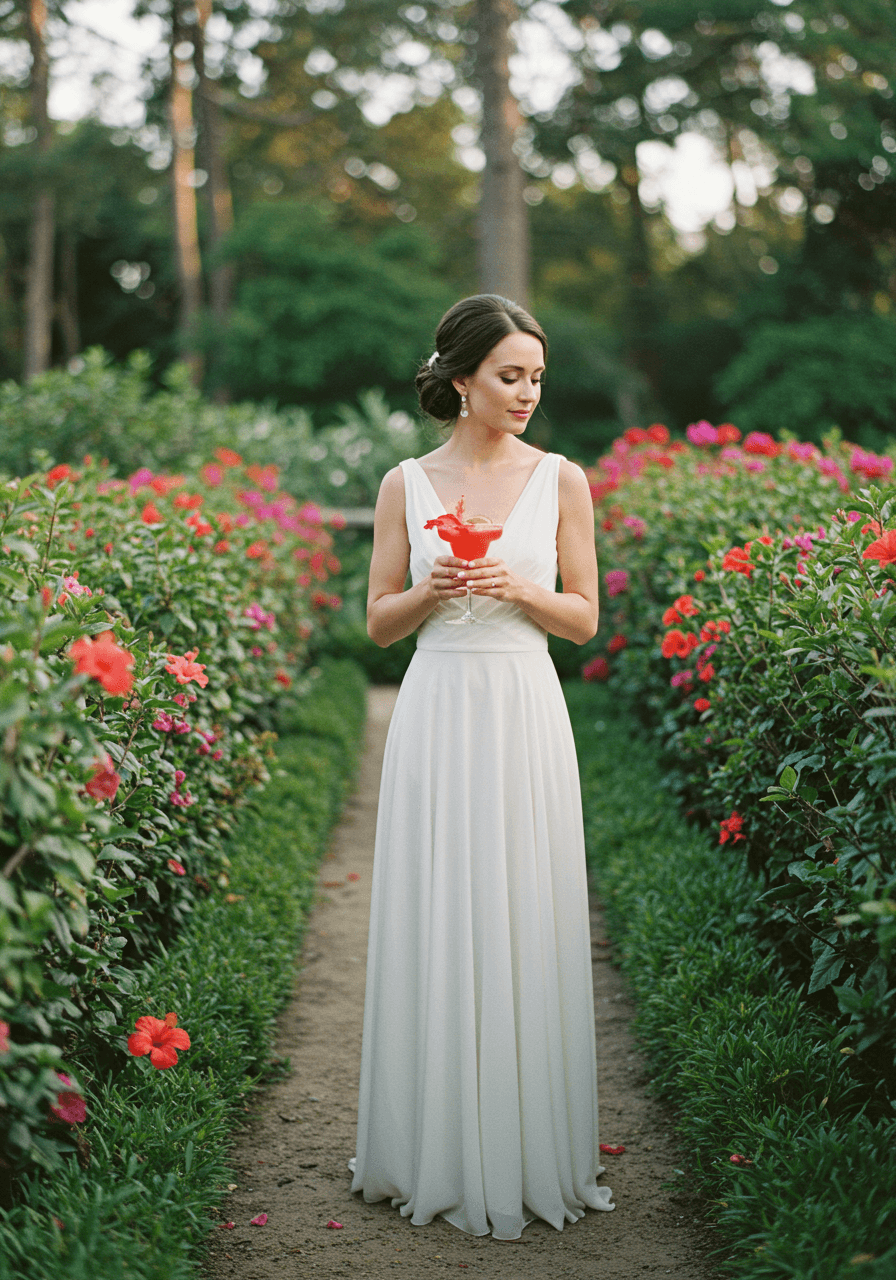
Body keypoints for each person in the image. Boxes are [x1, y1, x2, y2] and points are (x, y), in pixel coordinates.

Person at [349, 294, 615, 1240]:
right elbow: (376, 623)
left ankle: (523, 1146)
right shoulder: (405, 485)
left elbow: (585, 618)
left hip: (524, 709)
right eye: (510, 375)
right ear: (461, 379)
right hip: (437, 708)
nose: (527, 393)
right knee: (440, 906)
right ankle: (427, 1144)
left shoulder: (562, 480)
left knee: (522, 906)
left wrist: (522, 588)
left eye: (537, 376)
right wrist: (432, 587)